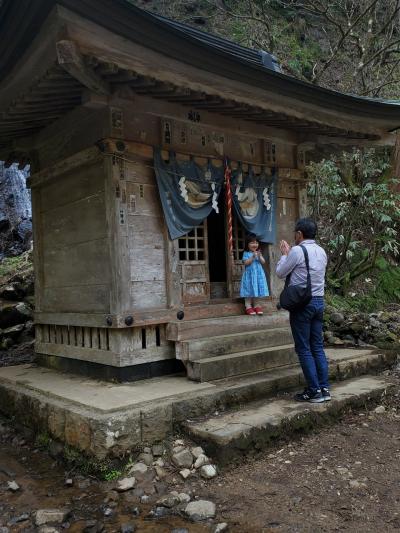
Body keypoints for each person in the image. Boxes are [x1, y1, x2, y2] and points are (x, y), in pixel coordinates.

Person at [276, 218, 330, 403]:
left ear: (299, 234)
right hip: (319, 301)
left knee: (304, 348)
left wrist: (284, 254)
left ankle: (314, 391)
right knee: (317, 346)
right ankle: (324, 388)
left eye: (295, 233)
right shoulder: (322, 251)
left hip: (302, 305)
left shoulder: (297, 251)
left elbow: (281, 272)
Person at [240, 233, 269, 315]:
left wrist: (259, 256)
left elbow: (263, 262)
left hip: (258, 275)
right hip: (249, 275)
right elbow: (246, 263)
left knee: (258, 290)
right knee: (248, 289)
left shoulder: (258, 252)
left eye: (256, 242)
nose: (255, 244)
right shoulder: (246, 253)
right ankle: (248, 306)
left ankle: (256, 305)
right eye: (252, 243)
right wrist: (252, 257)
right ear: (247, 244)